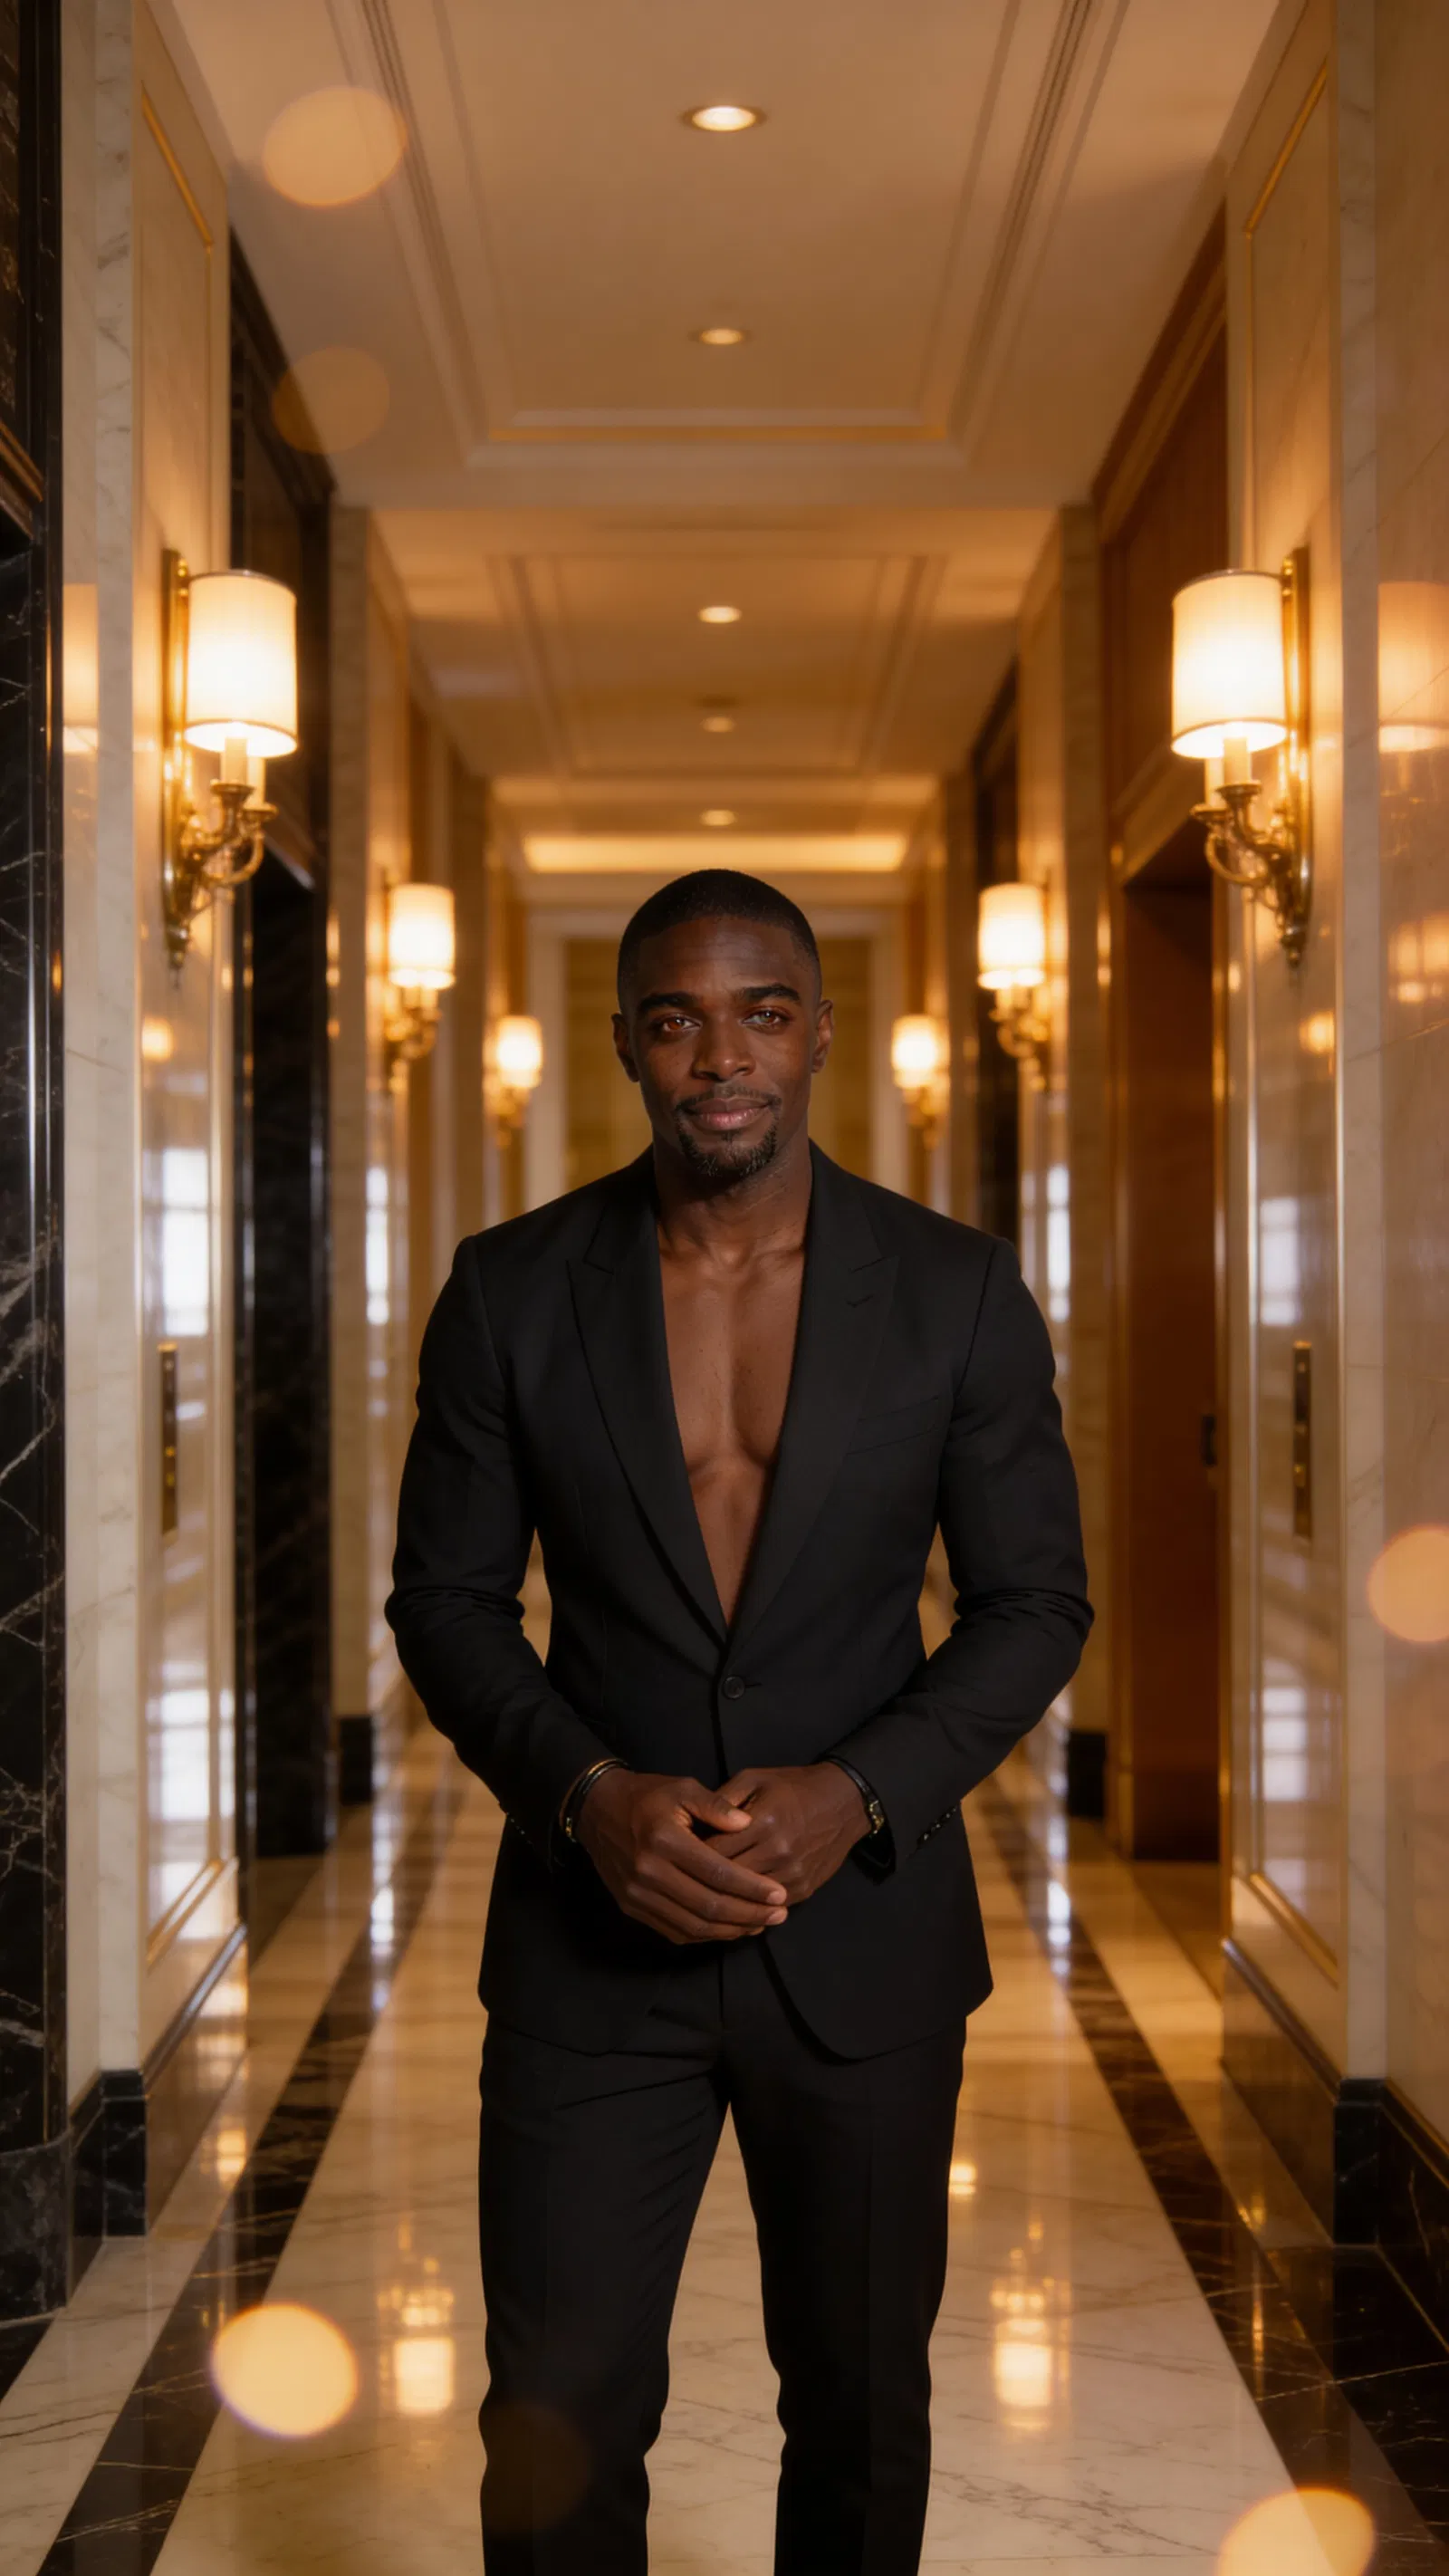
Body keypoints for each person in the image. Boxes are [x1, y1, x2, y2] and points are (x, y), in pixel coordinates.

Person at [388, 868, 1090, 2575]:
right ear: (628, 1041)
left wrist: (864, 1790)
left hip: (861, 1945)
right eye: (681, 1016)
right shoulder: (510, 1286)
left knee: (856, 2409)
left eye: (763, 1011)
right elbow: (448, 1602)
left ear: (820, 1033)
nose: (725, 1055)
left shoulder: (954, 1291)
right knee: (554, 2407)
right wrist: (587, 1798)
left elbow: (1033, 1604)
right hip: (588, 1949)